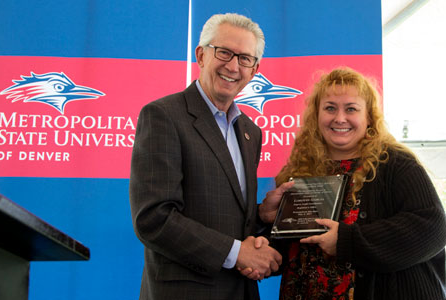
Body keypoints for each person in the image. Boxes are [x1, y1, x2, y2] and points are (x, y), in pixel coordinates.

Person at [257, 67, 446, 299]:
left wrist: (348, 241)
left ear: (368, 118)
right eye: (330, 108)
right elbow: (295, 246)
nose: (339, 118)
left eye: (351, 109)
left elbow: (433, 228)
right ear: (316, 115)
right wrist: (265, 238)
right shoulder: (300, 169)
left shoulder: (394, 163)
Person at [129, 13, 282, 300]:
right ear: (201, 55)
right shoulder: (163, 116)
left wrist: (261, 215)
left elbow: (227, 216)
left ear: (255, 69)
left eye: (245, 59)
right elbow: (153, 218)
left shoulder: (251, 132)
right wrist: (237, 254)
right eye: (224, 52)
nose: (233, 66)